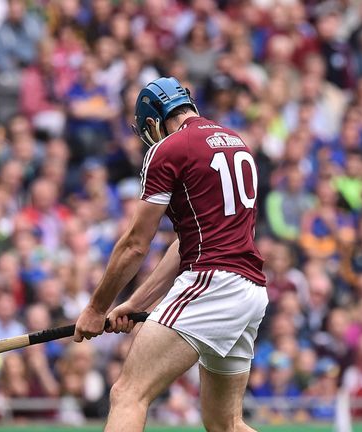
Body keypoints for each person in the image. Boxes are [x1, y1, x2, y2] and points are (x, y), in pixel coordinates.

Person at [74, 76, 268, 431]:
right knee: (225, 424)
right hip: (250, 291)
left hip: (211, 283)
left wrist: (95, 308)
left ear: (152, 121)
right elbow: (187, 243)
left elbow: (135, 244)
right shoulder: (237, 142)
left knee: (128, 393)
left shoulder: (170, 148)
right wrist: (135, 303)